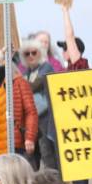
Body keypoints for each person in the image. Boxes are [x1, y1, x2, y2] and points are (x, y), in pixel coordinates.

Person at [59, 6, 90, 184]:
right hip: (71, 120)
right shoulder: (67, 70)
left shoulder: (79, 65)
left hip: (81, 120)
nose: (63, 51)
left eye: (66, 48)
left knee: (80, 157)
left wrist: (65, 12)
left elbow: (70, 37)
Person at [22, 39, 57, 170]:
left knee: (47, 153)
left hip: (45, 118)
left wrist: (21, 86)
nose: (30, 56)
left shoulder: (46, 67)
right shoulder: (26, 73)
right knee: (31, 156)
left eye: (33, 53)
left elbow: (34, 85)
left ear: (40, 52)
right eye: (26, 54)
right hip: (31, 120)